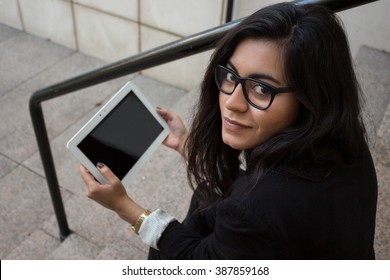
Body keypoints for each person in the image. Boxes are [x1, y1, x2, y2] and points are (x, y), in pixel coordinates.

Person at [80, 2, 378, 259]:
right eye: (231, 75)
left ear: (309, 98)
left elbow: (200, 259)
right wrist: (188, 144)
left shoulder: (253, 207)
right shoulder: (344, 140)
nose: (231, 103)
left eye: (262, 88)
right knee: (205, 199)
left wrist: (126, 208)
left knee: (165, 249)